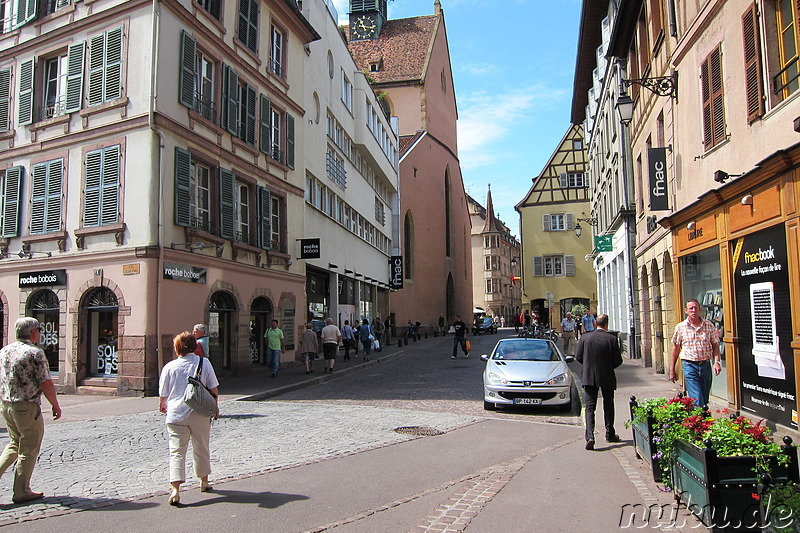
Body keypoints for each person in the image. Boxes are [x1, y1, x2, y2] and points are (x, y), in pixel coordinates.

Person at [0, 317, 62, 504]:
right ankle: (21, 491)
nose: (40, 334)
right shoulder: (35, 353)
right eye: (39, 330)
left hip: (7, 404)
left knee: (14, 444)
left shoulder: (5, 351)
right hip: (27, 406)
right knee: (28, 448)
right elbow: (46, 382)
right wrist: (55, 405)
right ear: (33, 332)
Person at [158, 331, 219, 505]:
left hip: (176, 413)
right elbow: (214, 389)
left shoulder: (169, 367)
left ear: (177, 348)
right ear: (194, 346)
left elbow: (164, 395)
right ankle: (204, 481)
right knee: (201, 446)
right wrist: (215, 407)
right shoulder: (204, 363)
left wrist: (163, 405)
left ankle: (175, 489)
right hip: (199, 411)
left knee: (176, 451)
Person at [575, 314, 623, 450]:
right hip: (606, 375)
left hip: (589, 376)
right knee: (608, 405)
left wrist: (589, 365)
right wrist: (607, 366)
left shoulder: (585, 338)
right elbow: (618, 360)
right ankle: (610, 433)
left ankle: (590, 436)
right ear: (606, 325)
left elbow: (578, 357)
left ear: (595, 323)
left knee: (590, 407)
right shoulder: (612, 339)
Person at [669, 299, 721, 408]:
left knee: (704, 397)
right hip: (689, 365)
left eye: (696, 308)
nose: (694, 310)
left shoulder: (709, 325)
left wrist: (717, 362)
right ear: (686, 311)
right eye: (691, 308)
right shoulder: (680, 327)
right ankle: (701, 422)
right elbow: (676, 349)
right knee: (696, 397)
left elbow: (715, 345)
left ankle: (697, 419)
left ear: (699, 309)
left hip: (705, 365)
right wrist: (672, 369)